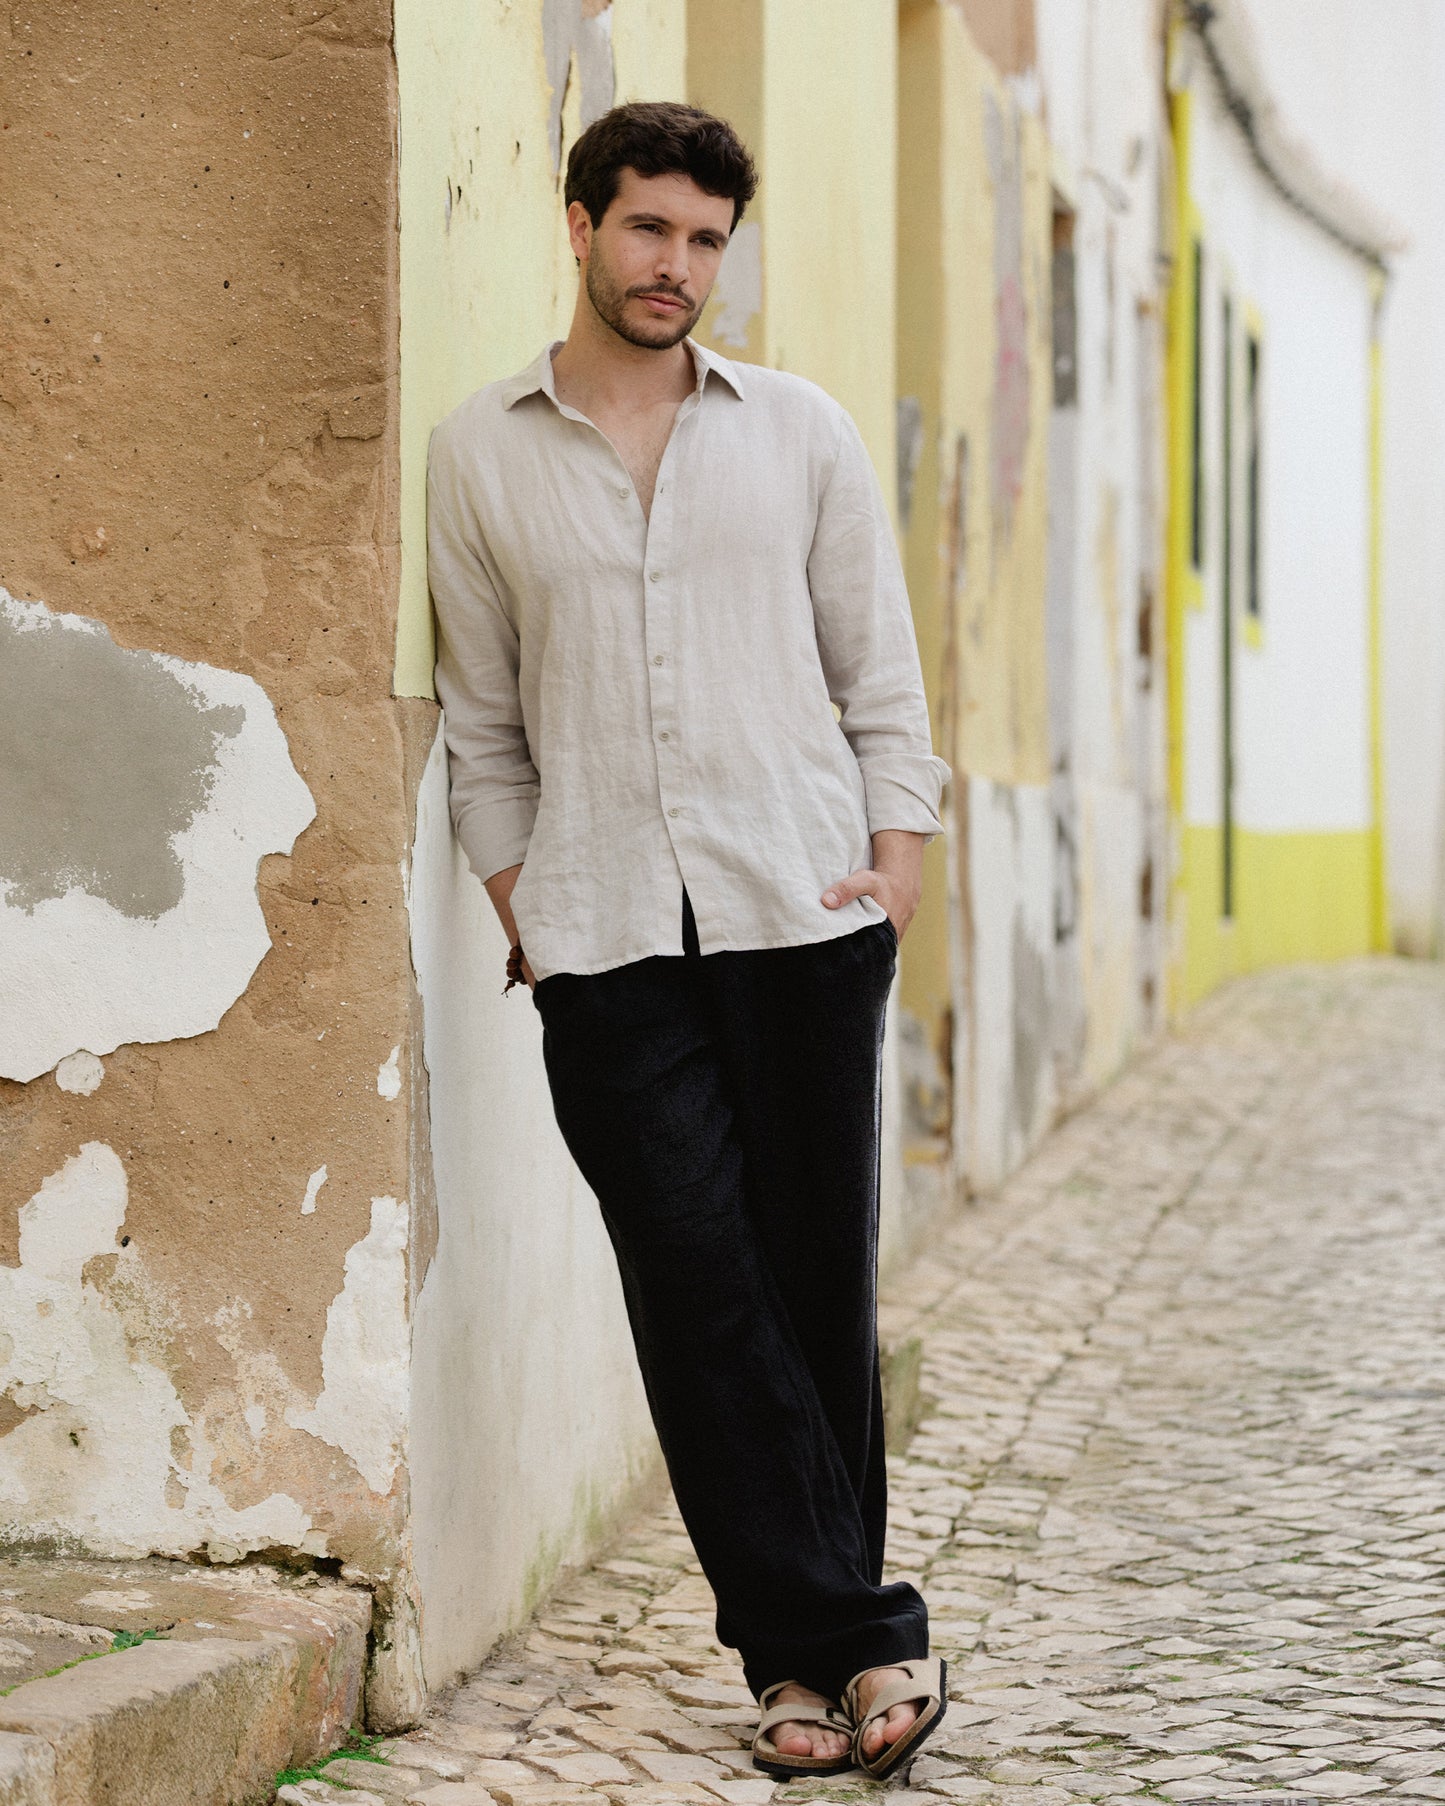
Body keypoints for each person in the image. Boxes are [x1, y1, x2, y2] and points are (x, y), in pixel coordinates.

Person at [427, 100, 950, 1782]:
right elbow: (484, 724)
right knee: (696, 1279)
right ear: (581, 224)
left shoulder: (798, 431)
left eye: (706, 238)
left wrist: (895, 860)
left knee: (809, 1286)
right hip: (600, 944)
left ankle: (798, 1668)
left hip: (799, 912)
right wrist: (528, 905)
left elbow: (878, 670)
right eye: (649, 227)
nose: (677, 266)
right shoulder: (479, 452)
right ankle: (860, 1632)